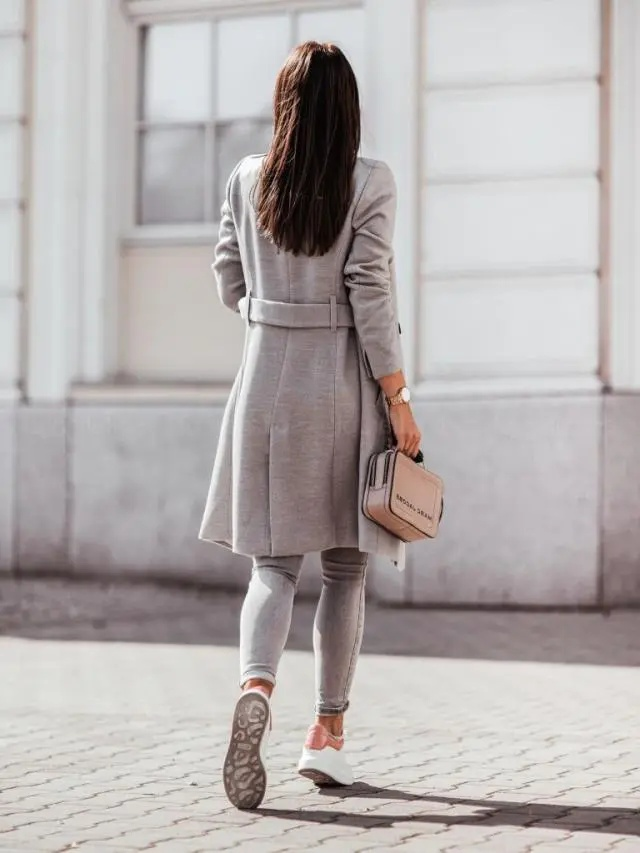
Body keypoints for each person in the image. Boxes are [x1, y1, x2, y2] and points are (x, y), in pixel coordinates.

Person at [199, 41, 421, 810]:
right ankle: (325, 736)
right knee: (346, 567)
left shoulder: (246, 178)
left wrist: (274, 302)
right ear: (348, 106)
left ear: (283, 104)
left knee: (272, 565)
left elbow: (229, 281)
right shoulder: (370, 181)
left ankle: (256, 686)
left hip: (262, 383)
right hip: (341, 386)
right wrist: (397, 396)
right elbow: (370, 293)